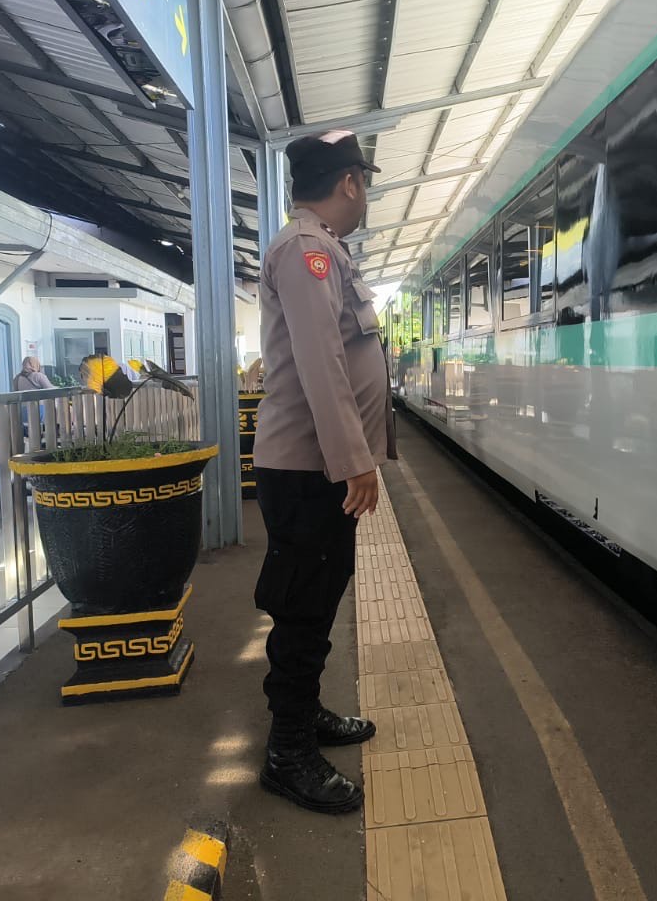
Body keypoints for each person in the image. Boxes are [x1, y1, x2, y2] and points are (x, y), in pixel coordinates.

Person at [252, 128, 396, 814]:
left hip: (317, 468)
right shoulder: (306, 252)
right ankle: (287, 754)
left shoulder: (323, 251)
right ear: (349, 182)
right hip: (309, 468)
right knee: (304, 607)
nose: (364, 194)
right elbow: (322, 364)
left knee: (315, 600)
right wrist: (354, 462)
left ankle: (303, 716)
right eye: (363, 183)